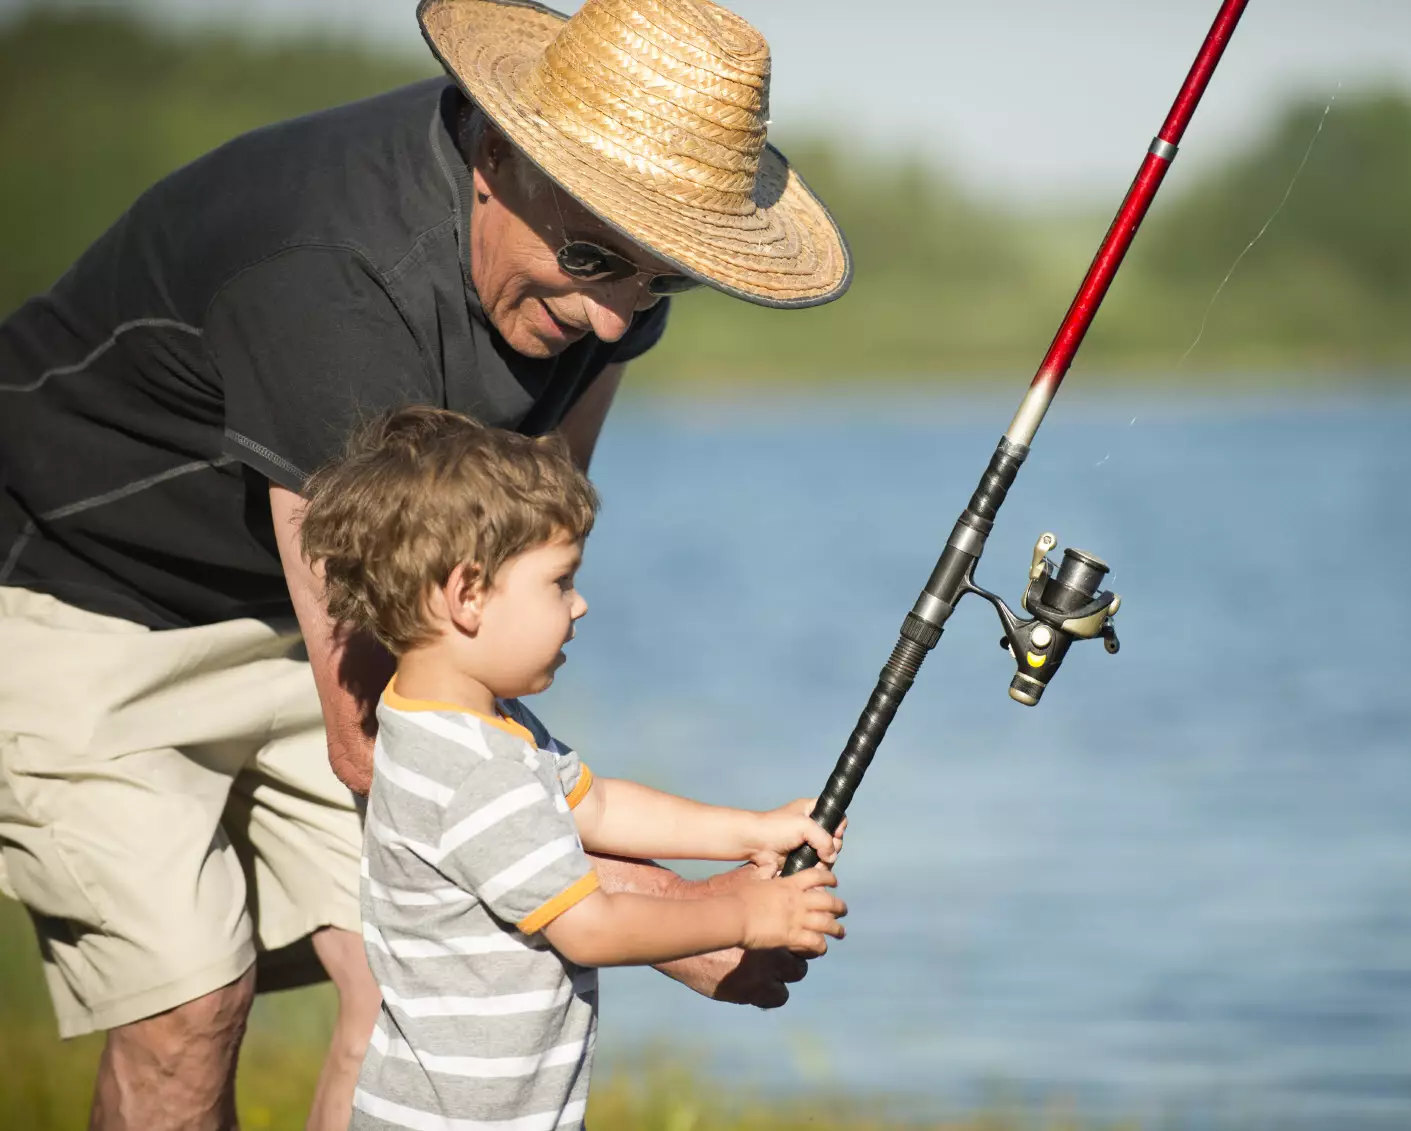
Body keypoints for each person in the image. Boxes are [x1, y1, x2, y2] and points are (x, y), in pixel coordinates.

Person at [0, 0, 851, 1126]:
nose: (611, 325)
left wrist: (695, 871)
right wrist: (685, 920)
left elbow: (518, 550)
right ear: (499, 155)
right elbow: (379, 734)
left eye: (657, 281)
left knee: (400, 971)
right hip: (77, 586)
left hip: (311, 605)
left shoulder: (611, 277)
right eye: (593, 260)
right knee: (187, 1003)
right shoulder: (333, 275)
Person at [299, 406, 848, 1130]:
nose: (580, 604)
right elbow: (591, 927)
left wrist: (750, 830)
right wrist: (748, 913)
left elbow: (598, 807)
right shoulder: (473, 773)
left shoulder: (459, 721)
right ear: (467, 595)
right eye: (559, 581)